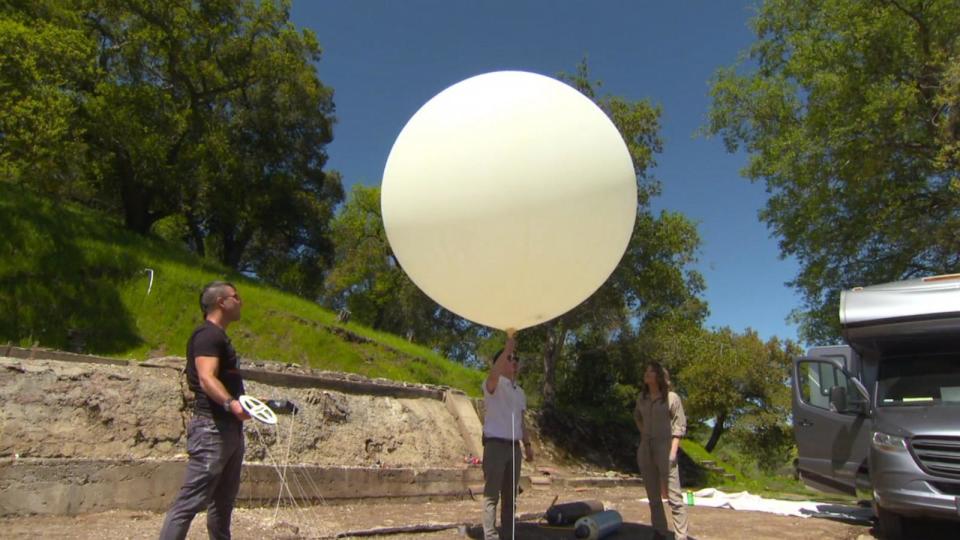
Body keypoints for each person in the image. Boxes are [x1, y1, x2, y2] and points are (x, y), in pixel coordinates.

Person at [160, 281, 250, 540]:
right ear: (222, 302)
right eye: (236, 296)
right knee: (189, 502)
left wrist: (247, 402)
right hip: (212, 429)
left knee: (223, 503)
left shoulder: (220, 337)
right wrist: (231, 404)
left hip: (230, 429)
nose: (240, 301)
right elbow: (206, 378)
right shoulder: (207, 335)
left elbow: (223, 381)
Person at [481, 332, 534, 540]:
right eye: (510, 359)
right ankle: (491, 536)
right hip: (495, 446)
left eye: (515, 359)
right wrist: (508, 348)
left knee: (510, 497)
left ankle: (509, 535)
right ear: (500, 363)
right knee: (491, 495)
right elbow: (493, 375)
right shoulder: (492, 384)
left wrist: (527, 444)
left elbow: (521, 421)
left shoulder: (520, 392)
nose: (514, 361)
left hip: (514, 448)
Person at [635, 362, 688, 540]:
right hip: (646, 447)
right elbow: (637, 418)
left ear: (658, 376)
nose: (646, 374)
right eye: (646, 371)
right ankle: (659, 532)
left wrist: (673, 452)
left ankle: (681, 536)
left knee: (674, 496)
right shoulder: (642, 398)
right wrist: (644, 434)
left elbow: (679, 426)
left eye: (650, 371)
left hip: (665, 447)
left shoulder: (672, 398)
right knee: (653, 495)